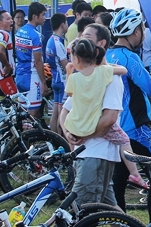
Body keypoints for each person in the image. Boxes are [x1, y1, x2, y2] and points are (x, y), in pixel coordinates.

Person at [105, 9, 151, 214]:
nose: (143, 33)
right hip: (136, 130)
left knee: (118, 182)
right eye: (142, 29)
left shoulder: (106, 55)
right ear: (135, 32)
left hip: (113, 128)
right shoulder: (129, 57)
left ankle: (121, 222)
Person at [59, 40, 124, 206]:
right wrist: (68, 133)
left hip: (96, 154)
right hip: (85, 153)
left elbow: (110, 118)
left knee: (82, 209)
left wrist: (82, 134)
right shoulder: (95, 75)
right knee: (108, 209)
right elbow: (65, 111)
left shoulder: (109, 78)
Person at [15, 2, 50, 117]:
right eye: (43, 15)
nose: (45, 18)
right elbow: (38, 61)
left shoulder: (20, 31)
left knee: (23, 114)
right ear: (34, 16)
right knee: (32, 115)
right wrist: (44, 82)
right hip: (32, 77)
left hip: (20, 75)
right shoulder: (36, 35)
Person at [45, 13, 69, 133]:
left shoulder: (50, 40)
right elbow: (66, 66)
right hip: (62, 80)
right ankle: (61, 139)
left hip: (55, 79)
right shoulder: (58, 43)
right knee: (62, 113)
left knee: (55, 111)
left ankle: (54, 138)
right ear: (62, 25)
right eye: (67, 23)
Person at [0, 10, 15, 99]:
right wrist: (7, 66)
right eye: (8, 19)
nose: (11, 21)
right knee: (14, 104)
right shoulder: (5, 35)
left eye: (11, 18)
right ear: (0, 23)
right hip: (6, 78)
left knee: (2, 105)